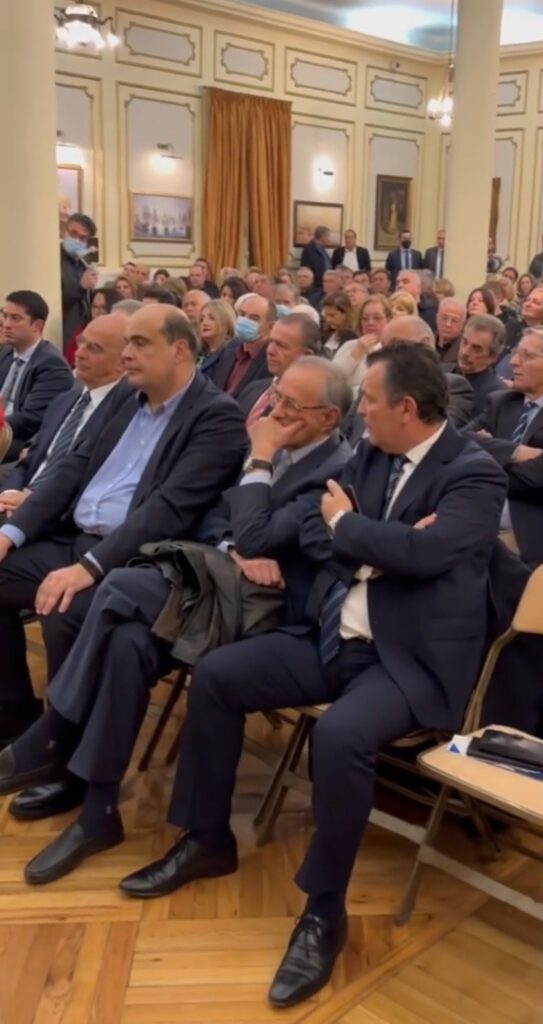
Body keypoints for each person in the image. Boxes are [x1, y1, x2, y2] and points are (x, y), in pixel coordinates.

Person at [114, 343, 506, 1010]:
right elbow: (316, 535)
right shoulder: (371, 453)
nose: (361, 415)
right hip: (332, 638)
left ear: (406, 409)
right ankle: (206, 838)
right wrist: (380, 545)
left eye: (370, 403)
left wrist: (354, 528)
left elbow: (425, 552)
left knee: (339, 737)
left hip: (405, 661)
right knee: (218, 675)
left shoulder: (473, 473)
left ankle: (324, 911)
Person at [0, 358, 352, 874]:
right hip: (213, 591)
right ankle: (98, 810)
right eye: (277, 397)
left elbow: (261, 534)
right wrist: (233, 547)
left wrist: (258, 468)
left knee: (117, 586)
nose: (276, 411)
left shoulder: (334, 471)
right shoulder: (273, 444)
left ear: (328, 417)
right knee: (127, 643)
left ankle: (54, 731)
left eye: (292, 405)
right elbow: (212, 518)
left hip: (271, 614)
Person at [0, 305, 248, 744]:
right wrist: (9, 532)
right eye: (127, 342)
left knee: (62, 608)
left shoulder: (216, 416)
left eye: (140, 343)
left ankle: (61, 749)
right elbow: (72, 469)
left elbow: (169, 510)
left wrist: (88, 567)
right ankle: (16, 716)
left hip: (137, 561)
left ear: (179, 350)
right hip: (75, 539)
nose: (127, 354)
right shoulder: (123, 397)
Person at [0, 314, 132, 518]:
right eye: (81, 342)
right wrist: (8, 495)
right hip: (17, 502)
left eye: (94, 348)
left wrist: (32, 502)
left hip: (59, 514)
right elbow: (29, 461)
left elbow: (86, 478)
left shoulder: (124, 410)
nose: (80, 353)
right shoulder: (64, 401)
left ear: (122, 362)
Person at [467, 326, 543, 565]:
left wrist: (485, 453)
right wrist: (514, 451)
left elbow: (538, 477)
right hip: (472, 519)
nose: (514, 362)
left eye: (526, 356)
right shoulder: (501, 402)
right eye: (516, 353)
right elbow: (458, 441)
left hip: (525, 537)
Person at [0, 292, 73, 464]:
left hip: (20, 439)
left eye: (15, 318)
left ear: (37, 325)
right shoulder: (5, 352)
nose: (6, 324)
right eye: (5, 316)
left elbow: (31, 419)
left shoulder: (52, 364)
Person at [239, 313, 323, 424]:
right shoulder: (253, 388)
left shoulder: (310, 408)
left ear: (306, 356)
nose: (270, 351)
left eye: (281, 345)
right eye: (270, 342)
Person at [214, 295, 276, 400]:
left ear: (270, 327)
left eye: (254, 318)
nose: (244, 321)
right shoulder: (228, 353)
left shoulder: (271, 361)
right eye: (242, 314)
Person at [334, 295, 391, 394]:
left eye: (377, 318)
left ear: (389, 319)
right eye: (365, 319)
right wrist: (355, 354)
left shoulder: (394, 349)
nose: (370, 323)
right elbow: (332, 378)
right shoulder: (350, 346)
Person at [453, 314, 506, 416]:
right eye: (464, 342)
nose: (465, 352)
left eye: (476, 349)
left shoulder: (496, 398)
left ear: (492, 357)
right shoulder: (440, 373)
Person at [60, 213, 98, 350]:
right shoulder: (54, 259)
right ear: (64, 231)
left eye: (82, 238)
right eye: (73, 234)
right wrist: (80, 287)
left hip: (82, 332)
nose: (76, 240)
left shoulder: (84, 263)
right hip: (61, 330)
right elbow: (54, 298)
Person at [198, 300, 236, 384]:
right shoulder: (198, 354)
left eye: (212, 318)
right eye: (201, 320)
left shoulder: (232, 353)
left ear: (226, 321)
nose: (204, 323)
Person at [435, 298, 467, 365]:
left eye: (454, 320)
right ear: (437, 317)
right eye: (444, 318)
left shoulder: (465, 351)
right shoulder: (426, 343)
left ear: (463, 324)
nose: (448, 324)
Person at [301, 226, 332, 290]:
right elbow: (306, 269)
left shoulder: (322, 248)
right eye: (328, 236)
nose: (329, 238)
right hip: (315, 286)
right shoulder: (309, 249)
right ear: (322, 236)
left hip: (323, 285)